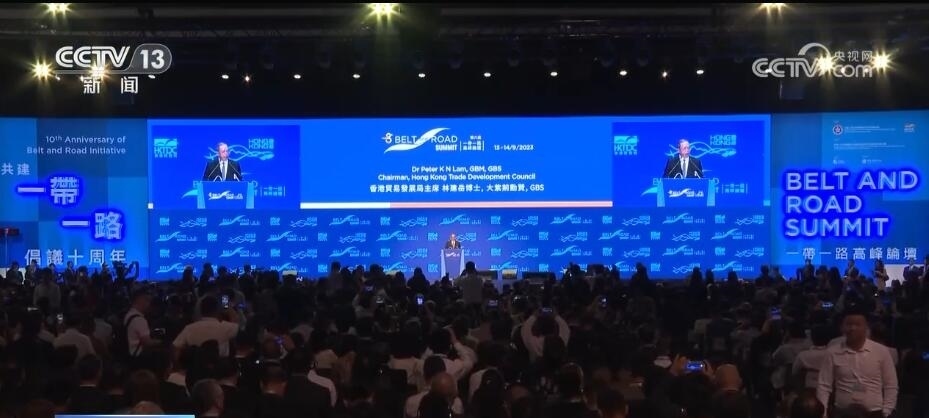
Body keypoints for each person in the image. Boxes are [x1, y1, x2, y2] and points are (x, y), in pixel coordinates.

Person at [816, 307, 898, 418]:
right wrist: (823, 413)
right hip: (842, 412)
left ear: (866, 327)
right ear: (842, 327)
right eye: (848, 324)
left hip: (874, 412)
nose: (852, 328)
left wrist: (887, 411)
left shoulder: (881, 351)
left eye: (857, 324)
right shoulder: (832, 352)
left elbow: (891, 384)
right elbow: (824, 385)